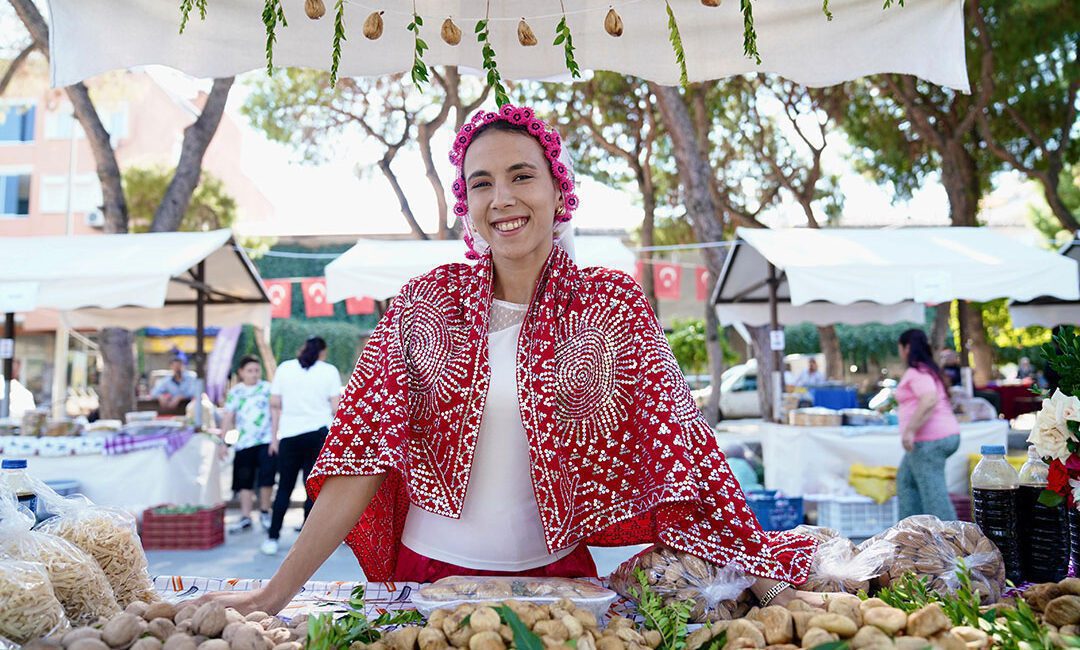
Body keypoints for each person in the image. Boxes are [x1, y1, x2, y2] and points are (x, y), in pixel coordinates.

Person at [203, 105, 818, 614]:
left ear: (558, 189)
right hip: (428, 581)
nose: (502, 198)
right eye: (481, 183)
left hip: (560, 585)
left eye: (522, 176)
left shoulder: (611, 305)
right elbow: (361, 458)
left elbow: (685, 450)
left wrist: (768, 581)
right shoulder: (425, 303)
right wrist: (273, 595)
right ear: (466, 201)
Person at [261, 337, 342, 555]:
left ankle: (272, 537)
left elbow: (274, 406)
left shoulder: (284, 369)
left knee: (284, 488)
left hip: (289, 435)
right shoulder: (329, 371)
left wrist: (274, 438)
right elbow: (336, 408)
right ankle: (307, 543)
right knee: (312, 489)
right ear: (322, 352)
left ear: (302, 348)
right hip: (318, 435)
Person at [896, 329, 960, 520]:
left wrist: (910, 431)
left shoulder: (917, 372)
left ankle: (950, 535)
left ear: (906, 348)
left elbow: (929, 399)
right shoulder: (927, 370)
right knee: (906, 483)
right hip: (932, 439)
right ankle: (911, 531)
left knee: (934, 496)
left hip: (930, 441)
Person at [221, 356, 275, 534]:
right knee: (245, 481)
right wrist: (223, 442)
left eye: (257, 370)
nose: (254, 374)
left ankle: (265, 512)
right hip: (244, 442)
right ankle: (246, 516)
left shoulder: (267, 389)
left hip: (266, 440)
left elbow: (276, 413)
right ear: (241, 372)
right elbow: (228, 416)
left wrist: (276, 438)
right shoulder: (236, 392)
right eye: (250, 371)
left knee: (267, 479)